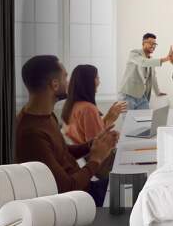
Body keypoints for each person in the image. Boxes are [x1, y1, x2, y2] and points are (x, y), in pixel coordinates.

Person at [16, 55, 119, 207]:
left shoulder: (47, 115)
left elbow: (62, 151)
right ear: (55, 84)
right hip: (79, 199)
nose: (69, 82)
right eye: (66, 77)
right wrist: (96, 159)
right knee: (142, 183)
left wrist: (92, 144)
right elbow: (67, 188)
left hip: (83, 188)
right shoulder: (31, 133)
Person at [61, 64, 127, 144]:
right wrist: (110, 121)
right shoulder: (88, 109)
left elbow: (92, 132)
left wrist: (108, 117)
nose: (99, 82)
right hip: (94, 155)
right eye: (97, 78)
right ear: (88, 81)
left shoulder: (70, 105)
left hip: (81, 154)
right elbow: (97, 144)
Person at [119, 33, 172, 110]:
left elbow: (153, 77)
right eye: (150, 43)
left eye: (154, 44)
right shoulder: (134, 53)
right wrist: (165, 59)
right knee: (129, 120)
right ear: (143, 43)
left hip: (142, 96)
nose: (153, 46)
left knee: (146, 118)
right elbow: (142, 62)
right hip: (128, 94)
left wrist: (157, 92)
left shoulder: (151, 60)